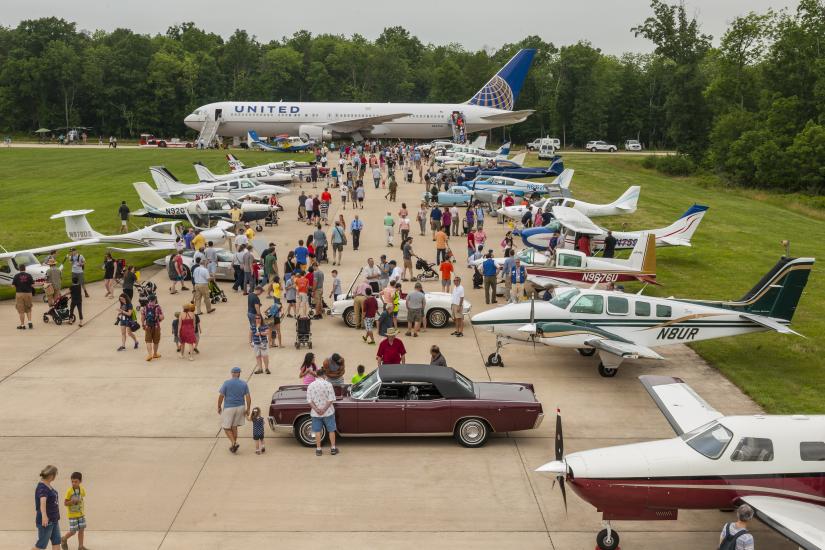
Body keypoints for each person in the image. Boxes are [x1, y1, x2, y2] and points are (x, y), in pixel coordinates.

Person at [218, 366, 251, 454]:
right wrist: (248, 408)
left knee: (226, 427)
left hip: (229, 407)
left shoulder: (226, 383)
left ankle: (234, 442)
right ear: (238, 374)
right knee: (234, 426)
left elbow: (221, 396)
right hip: (240, 407)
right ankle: (233, 446)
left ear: (232, 373)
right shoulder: (244, 384)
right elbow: (248, 397)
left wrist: (218, 406)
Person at [306, 368, 339, 456]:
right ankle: (333, 448)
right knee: (331, 430)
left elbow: (309, 400)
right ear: (324, 375)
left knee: (317, 431)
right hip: (328, 412)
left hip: (315, 413)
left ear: (316, 374)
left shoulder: (311, 385)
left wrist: (317, 409)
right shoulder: (328, 384)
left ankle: (318, 449)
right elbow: (331, 399)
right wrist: (324, 409)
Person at [33, 465, 61, 550]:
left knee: (56, 541)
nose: (55, 477)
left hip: (54, 519)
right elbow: (42, 502)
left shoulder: (47, 485)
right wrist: (44, 516)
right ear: (51, 475)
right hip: (47, 521)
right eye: (55, 474)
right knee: (41, 545)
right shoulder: (42, 487)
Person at [60, 471, 87, 550]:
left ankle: (81, 546)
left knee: (81, 530)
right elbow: (65, 503)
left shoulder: (82, 490)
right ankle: (64, 539)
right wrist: (72, 502)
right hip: (72, 515)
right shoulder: (69, 491)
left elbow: (82, 498)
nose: (74, 483)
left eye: (76, 481)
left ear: (80, 481)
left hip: (81, 514)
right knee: (73, 531)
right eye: (72, 481)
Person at [13, 264, 35, 330]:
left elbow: (13, 285)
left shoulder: (16, 276)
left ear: (19, 269)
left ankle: (22, 325)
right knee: (28, 308)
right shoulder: (29, 275)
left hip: (19, 294)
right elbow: (33, 284)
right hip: (28, 293)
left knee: (21, 310)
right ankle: (30, 322)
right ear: (25, 268)